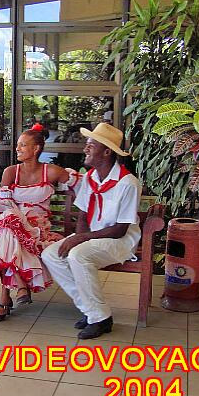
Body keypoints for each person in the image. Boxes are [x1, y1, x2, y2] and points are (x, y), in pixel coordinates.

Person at [41, 123, 142, 339]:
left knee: (78, 255)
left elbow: (120, 229)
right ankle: (93, 310)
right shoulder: (90, 178)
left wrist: (80, 239)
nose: (85, 149)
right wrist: (78, 237)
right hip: (94, 237)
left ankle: (99, 318)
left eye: (90, 145)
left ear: (106, 152)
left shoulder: (127, 183)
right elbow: (84, 215)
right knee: (50, 254)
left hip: (119, 241)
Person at [0, 123, 81, 323]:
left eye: (23, 145)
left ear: (36, 149)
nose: (17, 149)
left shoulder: (51, 171)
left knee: (6, 229)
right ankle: (18, 286)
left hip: (37, 226)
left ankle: (5, 299)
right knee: (8, 225)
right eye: (18, 145)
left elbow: (81, 185)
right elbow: (2, 202)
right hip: (12, 222)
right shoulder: (10, 172)